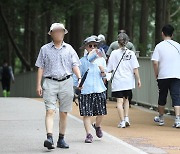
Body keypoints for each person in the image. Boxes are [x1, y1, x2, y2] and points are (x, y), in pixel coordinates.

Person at [35, 23, 81, 150]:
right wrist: (38, 84)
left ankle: (61, 139)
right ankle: (49, 138)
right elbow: (40, 67)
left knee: (64, 112)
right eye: (55, 31)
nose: (58, 33)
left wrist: (80, 77)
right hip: (50, 82)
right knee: (50, 110)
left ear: (64, 33)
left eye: (60, 31)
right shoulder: (44, 49)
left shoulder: (69, 49)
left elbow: (75, 65)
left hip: (67, 81)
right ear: (51, 34)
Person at [74, 36, 107, 143]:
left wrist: (103, 72)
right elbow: (76, 77)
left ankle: (97, 126)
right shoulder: (81, 61)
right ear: (86, 48)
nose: (93, 47)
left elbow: (105, 77)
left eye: (95, 45)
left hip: (99, 89)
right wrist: (78, 85)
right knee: (86, 113)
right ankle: (88, 134)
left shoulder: (101, 60)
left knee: (101, 112)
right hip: (86, 90)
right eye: (90, 45)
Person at [107, 33, 141, 128]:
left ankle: (122, 121)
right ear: (127, 42)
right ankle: (126, 118)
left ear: (118, 42)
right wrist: (138, 79)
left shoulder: (114, 53)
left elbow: (109, 68)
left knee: (119, 101)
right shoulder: (131, 53)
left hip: (118, 81)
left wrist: (105, 75)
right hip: (128, 81)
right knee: (126, 100)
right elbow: (135, 68)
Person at [151, 24, 180, 128]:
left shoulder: (159, 46)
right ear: (172, 34)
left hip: (163, 75)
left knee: (162, 96)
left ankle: (161, 118)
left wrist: (156, 74)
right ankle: (177, 119)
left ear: (162, 33)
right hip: (176, 75)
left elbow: (155, 62)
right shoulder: (178, 46)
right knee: (176, 96)